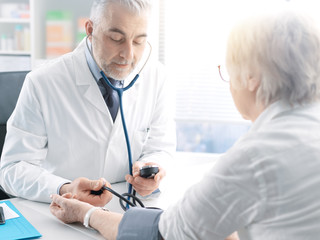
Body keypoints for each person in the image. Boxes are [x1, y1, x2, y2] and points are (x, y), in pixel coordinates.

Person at [50, 9, 320, 239]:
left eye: (228, 71)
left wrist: (87, 214)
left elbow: (164, 233)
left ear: (250, 77)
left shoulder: (255, 156)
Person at [0, 0, 176, 205]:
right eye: (116, 38)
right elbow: (12, 169)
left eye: (138, 42)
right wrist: (65, 188)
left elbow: (162, 148)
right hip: (62, 211)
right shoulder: (43, 82)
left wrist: (152, 170)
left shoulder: (157, 77)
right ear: (90, 30)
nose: (128, 54)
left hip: (129, 207)